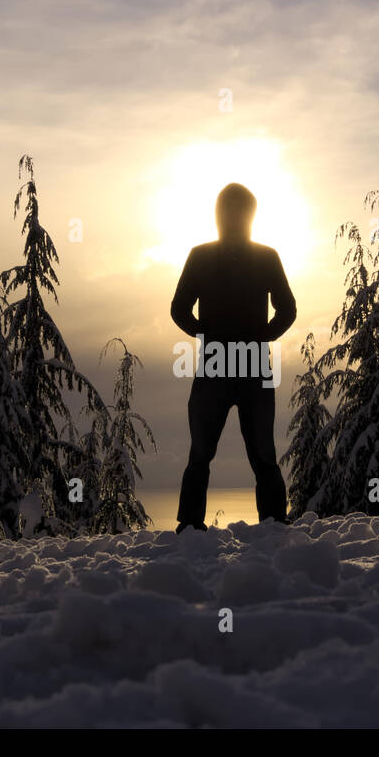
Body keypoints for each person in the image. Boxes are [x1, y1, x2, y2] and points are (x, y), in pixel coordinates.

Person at [170, 183, 297, 532]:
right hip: (227, 365)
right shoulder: (201, 256)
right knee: (205, 453)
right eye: (231, 211)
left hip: (246, 365)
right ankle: (194, 523)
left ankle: (272, 523)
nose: (235, 218)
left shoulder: (265, 256)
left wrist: (260, 336)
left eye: (241, 211)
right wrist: (208, 335)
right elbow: (178, 308)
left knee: (261, 454)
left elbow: (288, 308)